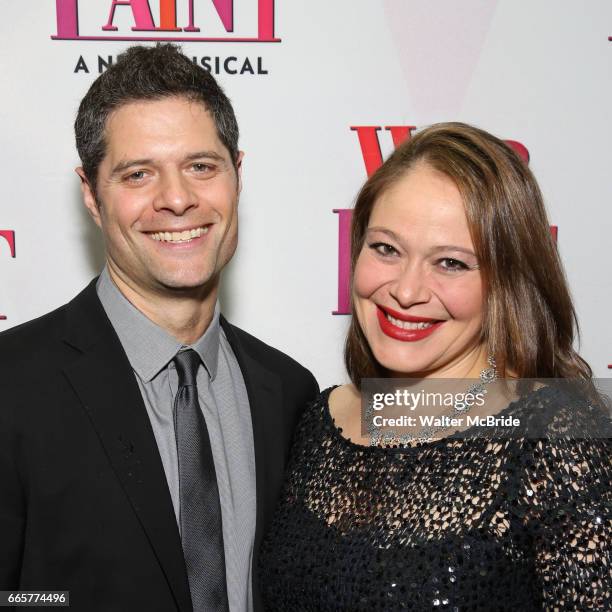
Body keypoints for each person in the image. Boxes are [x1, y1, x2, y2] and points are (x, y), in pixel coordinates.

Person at [0, 44, 318, 612]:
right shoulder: (12, 385)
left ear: (237, 176)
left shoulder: (288, 392)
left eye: (200, 167)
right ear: (92, 197)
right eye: (138, 173)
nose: (176, 199)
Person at [259, 123, 611, 610]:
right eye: (386, 249)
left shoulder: (554, 444)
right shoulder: (318, 421)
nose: (406, 291)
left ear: (506, 282)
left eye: (450, 263)